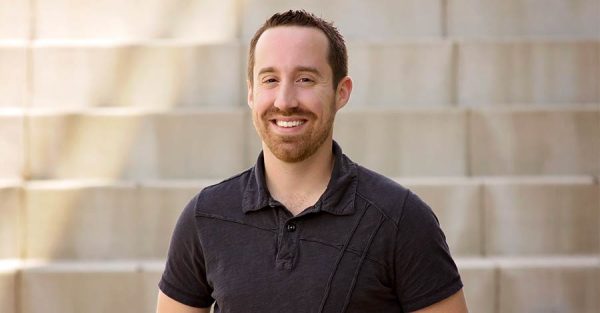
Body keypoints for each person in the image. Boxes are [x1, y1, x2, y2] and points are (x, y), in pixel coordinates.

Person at [156, 10, 468, 313]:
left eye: (305, 79)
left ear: (341, 92)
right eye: (270, 80)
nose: (285, 101)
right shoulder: (206, 215)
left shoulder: (402, 218)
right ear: (251, 93)